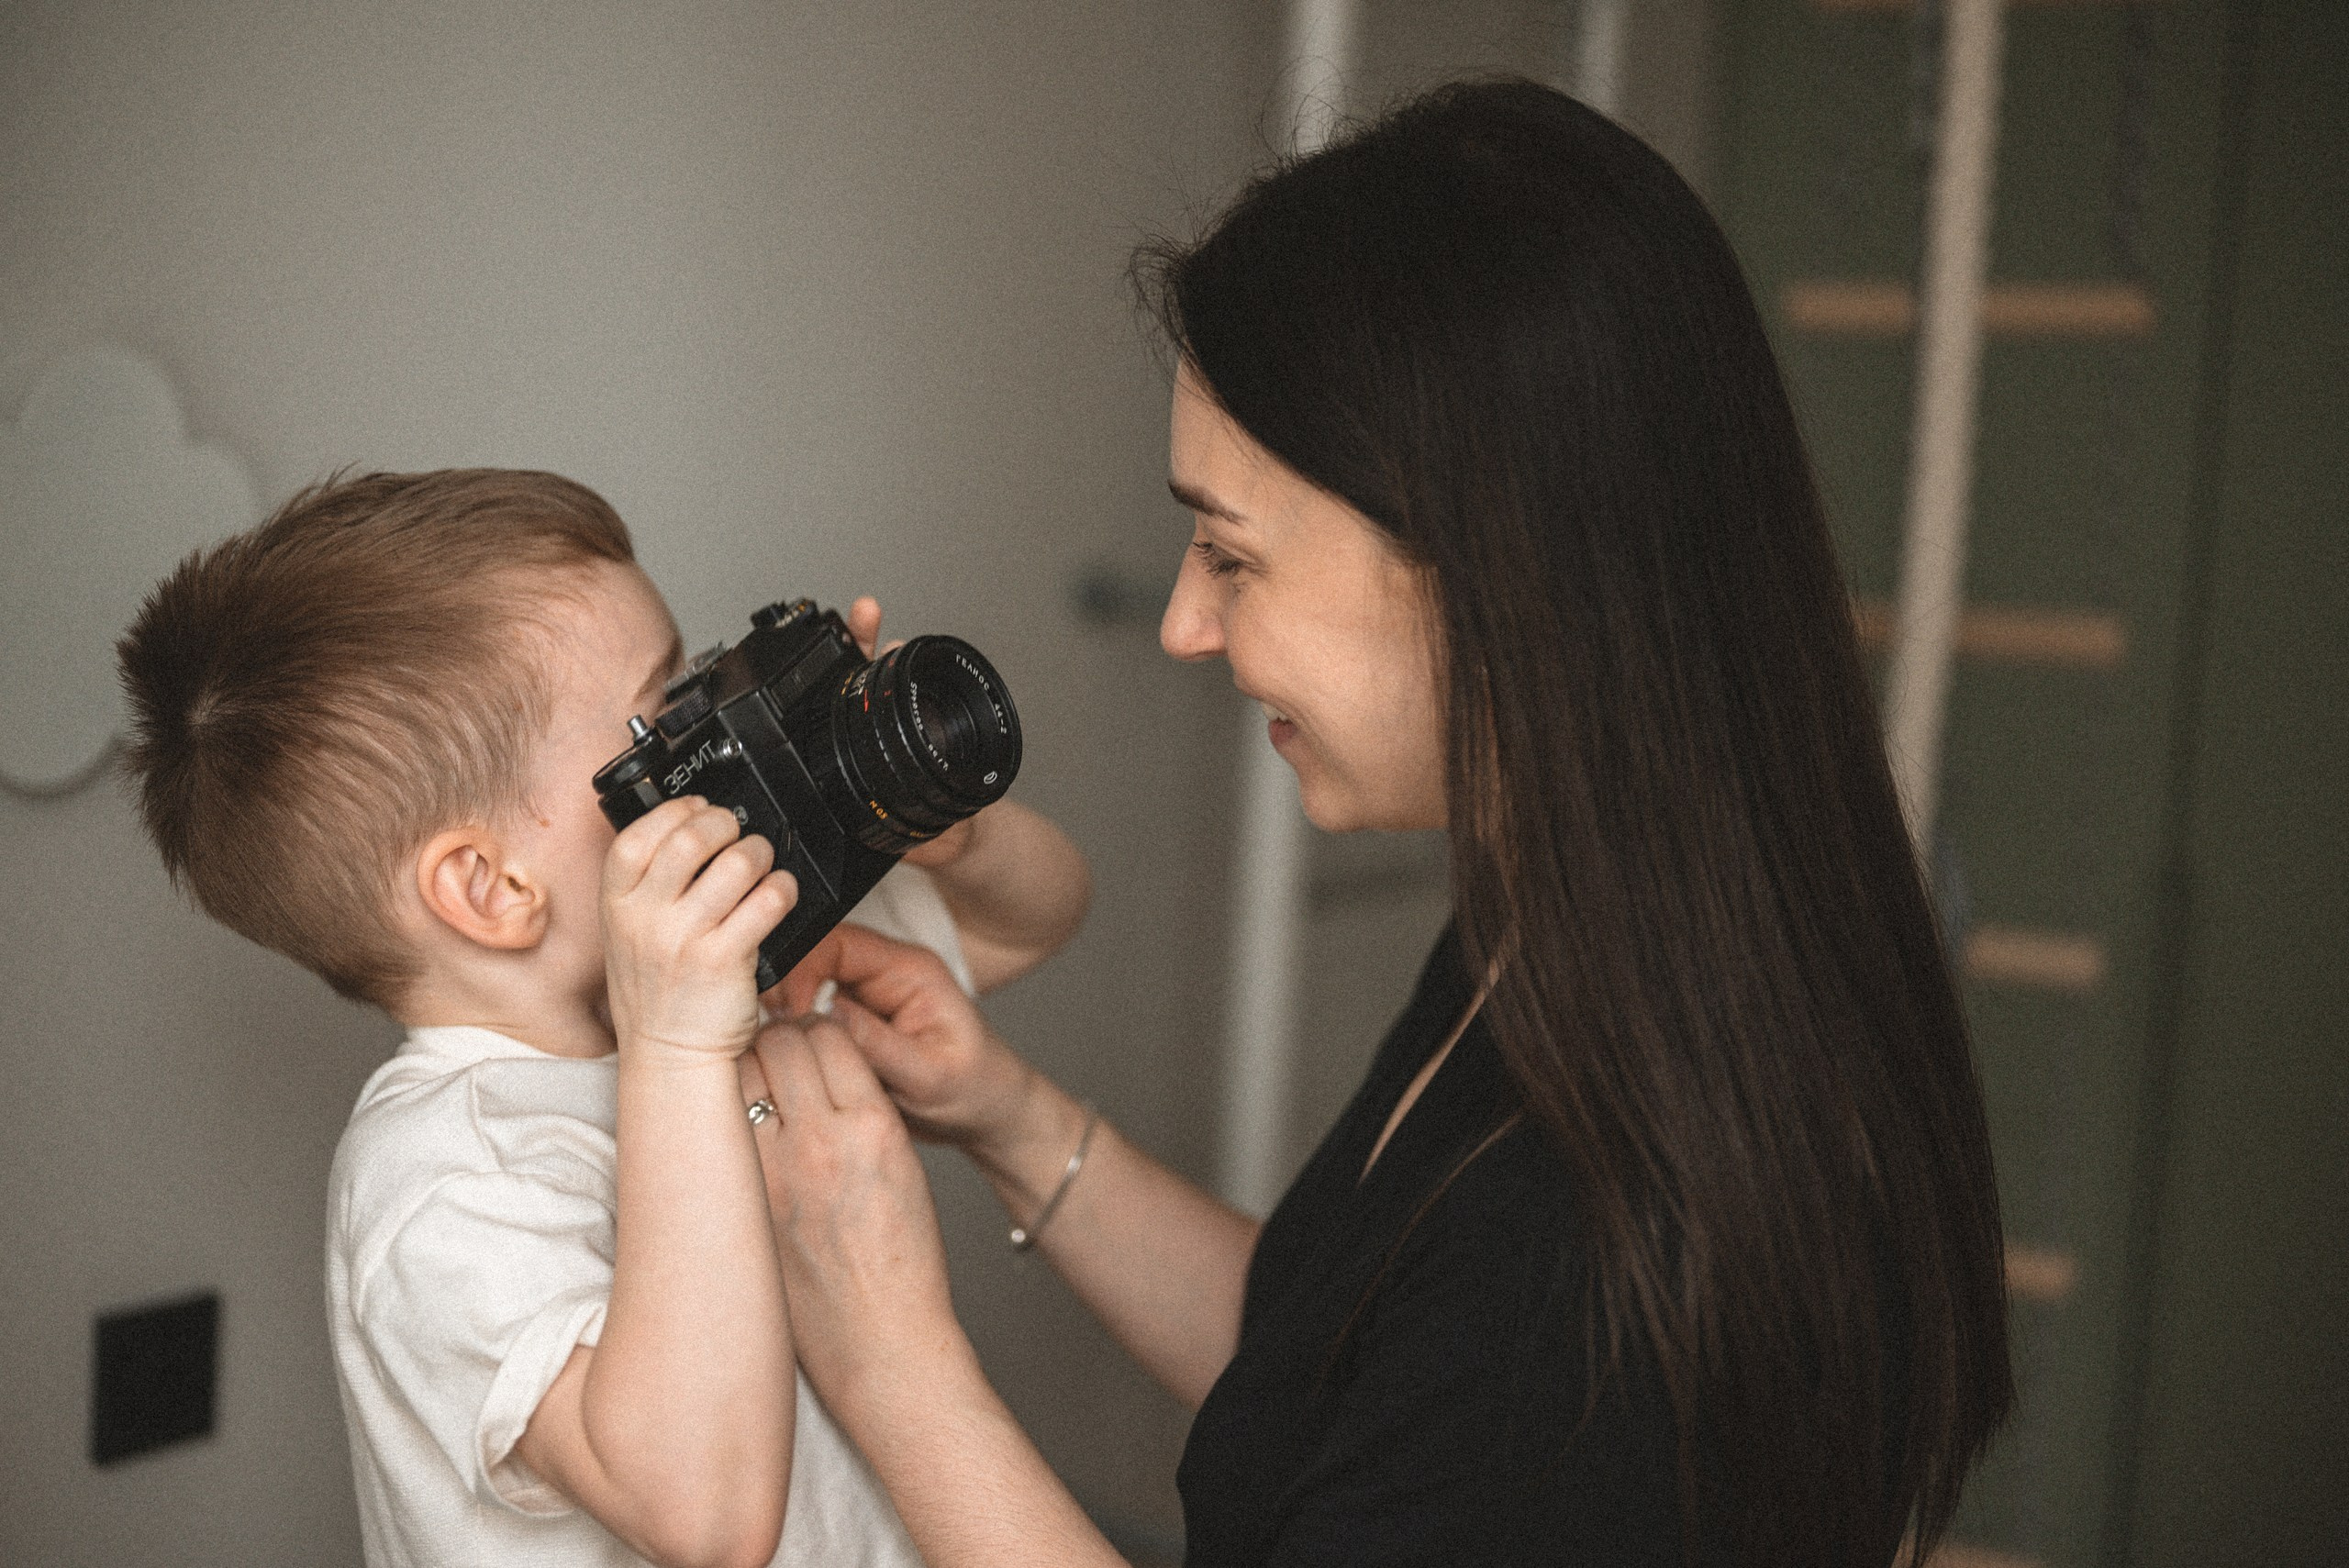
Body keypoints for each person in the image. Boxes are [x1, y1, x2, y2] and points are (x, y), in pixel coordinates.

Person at [738, 79, 2014, 1568]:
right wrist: (1011, 1119)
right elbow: (1356, 1390)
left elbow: (1475, 1377)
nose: (1184, 625)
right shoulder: (1591, 925)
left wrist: (886, 1351)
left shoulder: (1590, 1243)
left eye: (1231, 556)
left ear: (1489, 566)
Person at [113, 468, 1092, 1568]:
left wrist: (924, 819)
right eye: (658, 714)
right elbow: (702, 1515)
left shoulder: (717, 957)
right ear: (491, 888)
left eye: (696, 677)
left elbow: (1033, 920)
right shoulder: (445, 1179)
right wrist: (678, 1051)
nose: (708, 714)